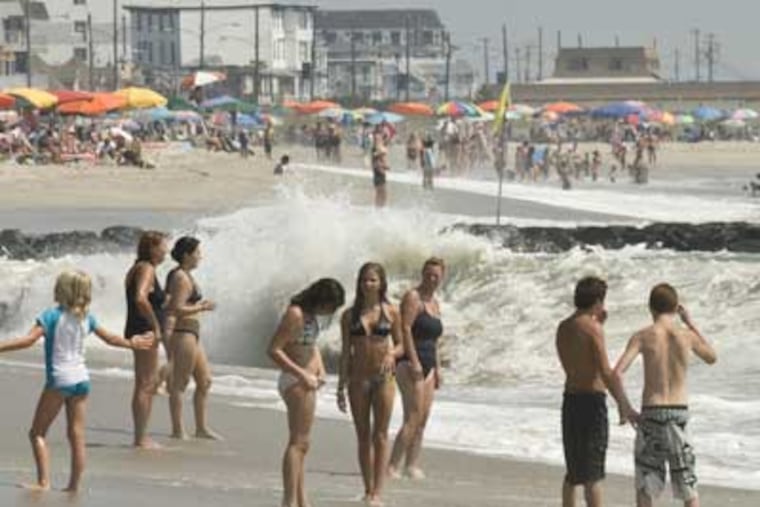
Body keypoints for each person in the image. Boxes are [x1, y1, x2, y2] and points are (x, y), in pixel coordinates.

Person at [0, 270, 154, 492]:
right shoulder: (87, 318)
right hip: (82, 380)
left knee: (37, 433)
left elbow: (28, 340)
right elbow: (110, 338)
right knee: (76, 435)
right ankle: (73, 486)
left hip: (59, 380)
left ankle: (44, 483)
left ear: (61, 290)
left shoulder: (50, 316)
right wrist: (131, 343)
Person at [614, 284, 717, 507]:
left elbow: (616, 373)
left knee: (646, 486)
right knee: (688, 485)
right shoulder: (686, 336)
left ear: (651, 308)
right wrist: (690, 323)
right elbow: (711, 357)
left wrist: (626, 407)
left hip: (652, 411)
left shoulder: (642, 336)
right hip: (679, 413)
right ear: (675, 307)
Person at [556, 277, 637, 507]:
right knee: (593, 474)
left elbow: (575, 363)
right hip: (591, 402)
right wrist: (624, 403)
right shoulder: (592, 329)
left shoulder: (564, 326)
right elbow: (605, 371)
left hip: (570, 400)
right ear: (598, 301)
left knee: (573, 472)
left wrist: (599, 325)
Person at [268, 278, 345, 507]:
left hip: (307, 380)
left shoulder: (311, 317)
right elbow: (274, 350)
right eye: (330, 305)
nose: (330, 311)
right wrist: (302, 374)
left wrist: (320, 370)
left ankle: (302, 499)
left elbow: (310, 346)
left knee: (303, 443)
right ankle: (289, 500)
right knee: (297, 442)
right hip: (295, 380)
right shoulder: (295, 314)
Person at [338, 263, 403, 506]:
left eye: (373, 280)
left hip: (383, 377)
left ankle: (378, 491)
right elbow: (346, 352)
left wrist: (391, 355)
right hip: (358, 378)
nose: (368, 284)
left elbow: (402, 344)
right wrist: (340, 387)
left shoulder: (391, 311)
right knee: (363, 435)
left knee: (381, 435)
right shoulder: (349, 315)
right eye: (365, 280)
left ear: (381, 283)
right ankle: (367, 489)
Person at [388, 257, 445, 479]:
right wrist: (413, 362)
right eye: (428, 274)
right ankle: (392, 466)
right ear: (422, 274)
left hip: (429, 364)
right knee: (412, 415)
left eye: (436, 276)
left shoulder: (435, 303)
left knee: (423, 418)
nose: (432, 279)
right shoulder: (413, 297)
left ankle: (411, 464)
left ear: (442, 277)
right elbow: (405, 329)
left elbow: (436, 340)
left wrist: (438, 368)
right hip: (411, 363)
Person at [164, 237, 219, 440]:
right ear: (186, 255)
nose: (200, 257)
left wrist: (198, 306)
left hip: (192, 332)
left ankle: (201, 428)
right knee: (180, 383)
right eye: (197, 253)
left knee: (205, 381)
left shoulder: (185, 275)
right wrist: (201, 307)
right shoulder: (180, 277)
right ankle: (178, 430)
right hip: (183, 332)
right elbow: (176, 309)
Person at [125, 231, 168, 449]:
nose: (166, 250)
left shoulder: (137, 267)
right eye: (163, 246)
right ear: (152, 248)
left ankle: (141, 435)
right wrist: (156, 325)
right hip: (145, 329)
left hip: (137, 327)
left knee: (145, 383)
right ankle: (140, 437)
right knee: (146, 383)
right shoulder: (147, 269)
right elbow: (140, 298)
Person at [372, 134, 390, 208]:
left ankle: (379, 208)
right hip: (378, 174)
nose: (379, 141)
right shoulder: (375, 150)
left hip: (380, 174)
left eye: (379, 140)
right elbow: (376, 163)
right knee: (381, 193)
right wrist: (384, 166)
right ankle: (379, 208)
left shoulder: (378, 149)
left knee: (382, 193)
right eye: (377, 140)